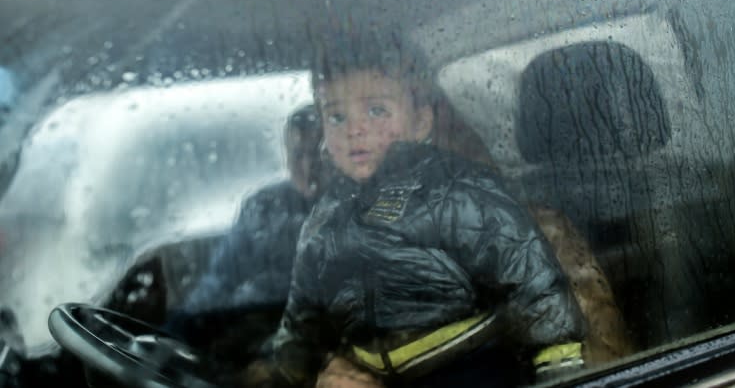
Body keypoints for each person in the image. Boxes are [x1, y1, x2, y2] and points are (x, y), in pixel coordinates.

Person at [242, 27, 587, 388]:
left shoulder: (459, 190)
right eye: (337, 117)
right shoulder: (324, 219)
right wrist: (303, 369)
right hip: (373, 375)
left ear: (421, 120)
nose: (354, 130)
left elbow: (530, 277)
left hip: (469, 365)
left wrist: (558, 365)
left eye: (376, 110)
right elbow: (303, 313)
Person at [168, 104, 326, 356]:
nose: (308, 166)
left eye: (317, 153)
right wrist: (179, 331)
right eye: (298, 155)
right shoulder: (263, 204)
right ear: (286, 155)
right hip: (239, 330)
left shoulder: (352, 210)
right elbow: (220, 278)